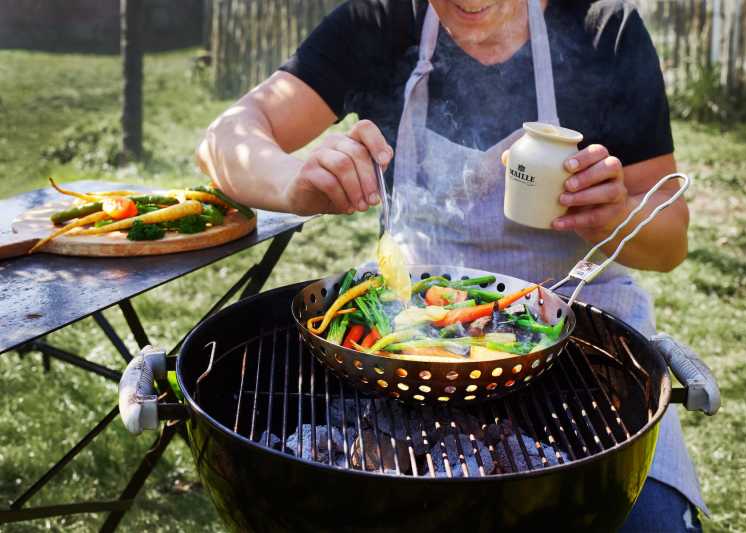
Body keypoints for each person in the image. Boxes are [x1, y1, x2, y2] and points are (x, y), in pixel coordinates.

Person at [197, 0, 704, 529]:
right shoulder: (381, 19)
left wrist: (614, 214)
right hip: (410, 360)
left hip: (579, 344)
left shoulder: (604, 28)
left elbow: (670, 245)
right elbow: (223, 139)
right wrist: (290, 182)